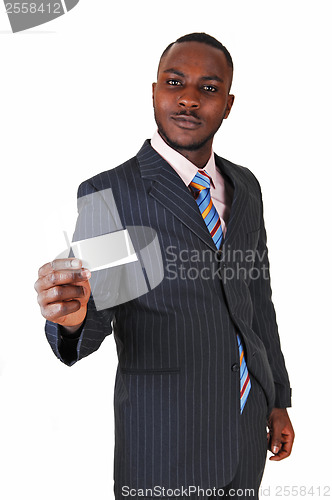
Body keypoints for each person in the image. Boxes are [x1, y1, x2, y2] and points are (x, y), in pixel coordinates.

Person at [35, 32, 294, 499]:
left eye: (209, 88)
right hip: (164, 443)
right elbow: (93, 319)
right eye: (175, 82)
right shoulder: (112, 194)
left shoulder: (247, 188)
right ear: (154, 92)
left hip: (245, 432)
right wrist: (72, 320)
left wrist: (278, 400)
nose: (190, 99)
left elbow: (258, 301)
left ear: (229, 104)